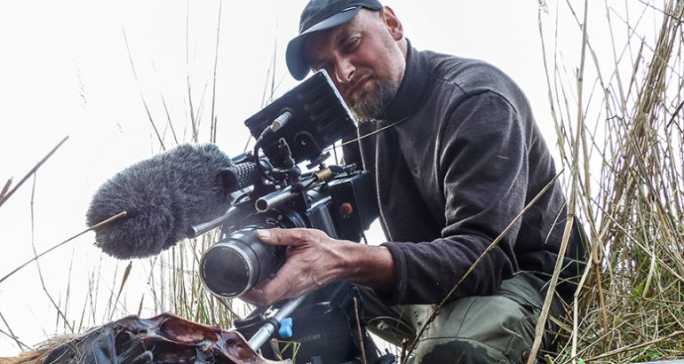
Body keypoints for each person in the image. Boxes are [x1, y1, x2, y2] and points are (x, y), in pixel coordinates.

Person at [239, 0, 586, 363]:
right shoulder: (362, 120)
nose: (342, 72)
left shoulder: (476, 100)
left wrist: (342, 260)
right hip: (438, 282)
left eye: (351, 43)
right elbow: (345, 223)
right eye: (324, 68)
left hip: (525, 280)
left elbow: (483, 258)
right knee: (303, 293)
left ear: (391, 23)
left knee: (447, 356)